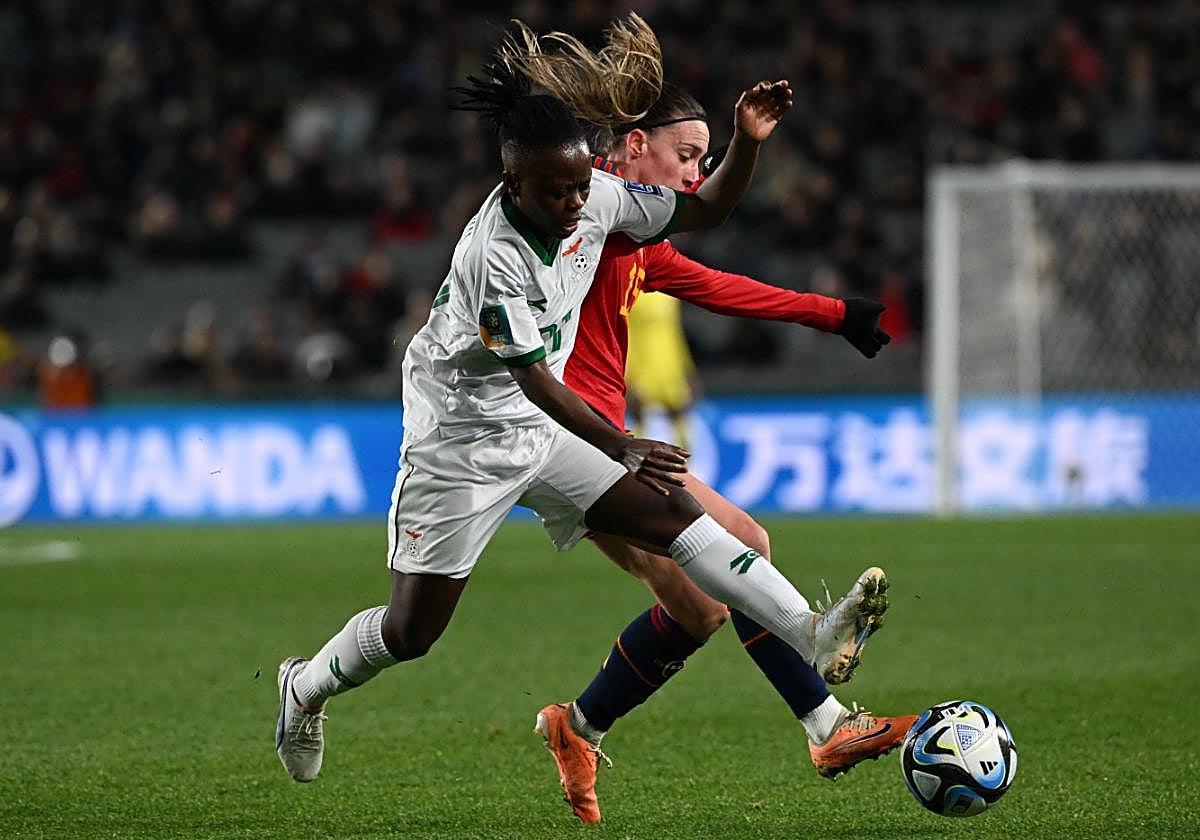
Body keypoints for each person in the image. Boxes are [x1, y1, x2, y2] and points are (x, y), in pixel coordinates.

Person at [274, 15, 885, 800]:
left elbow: (706, 216)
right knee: (412, 632)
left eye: (576, 186)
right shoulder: (491, 256)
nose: (571, 203)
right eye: (553, 190)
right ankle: (305, 687)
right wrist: (624, 443)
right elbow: (532, 378)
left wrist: (749, 142)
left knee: (679, 522)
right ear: (510, 184)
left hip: (547, 428)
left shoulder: (597, 196)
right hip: (463, 439)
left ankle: (813, 634)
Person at [534, 84, 914, 824]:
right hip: (571, 440)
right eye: (687, 156)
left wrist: (835, 314)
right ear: (634, 145)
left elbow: (724, 288)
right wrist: (745, 145)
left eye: (704, 160)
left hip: (604, 442)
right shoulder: (586, 208)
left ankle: (577, 726)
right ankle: (826, 724)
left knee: (700, 608)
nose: (693, 174)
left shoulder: (637, 241)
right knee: (744, 542)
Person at [624, 287, 697, 448]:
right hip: (640, 369)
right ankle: (637, 468)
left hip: (671, 367)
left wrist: (687, 369)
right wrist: (627, 375)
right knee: (640, 419)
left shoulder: (670, 294)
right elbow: (624, 333)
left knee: (680, 417)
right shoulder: (629, 291)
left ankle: (684, 467)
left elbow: (675, 333)